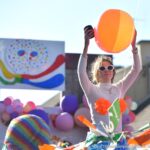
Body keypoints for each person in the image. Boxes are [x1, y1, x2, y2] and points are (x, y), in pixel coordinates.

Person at [77, 25, 142, 149]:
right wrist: (86, 46)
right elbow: (81, 72)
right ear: (97, 72)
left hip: (117, 142)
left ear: (113, 71)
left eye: (110, 67)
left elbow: (137, 69)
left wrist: (134, 47)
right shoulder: (91, 89)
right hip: (99, 143)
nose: (106, 70)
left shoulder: (119, 88)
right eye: (102, 68)